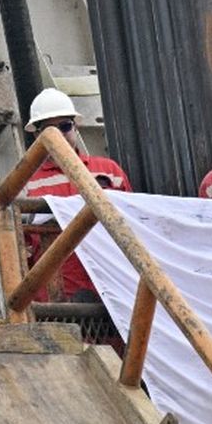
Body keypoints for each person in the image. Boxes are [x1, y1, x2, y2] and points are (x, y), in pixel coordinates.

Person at [21, 87, 130, 303]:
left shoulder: (109, 171)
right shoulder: (25, 184)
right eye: (49, 129)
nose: (59, 135)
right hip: (56, 295)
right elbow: (21, 250)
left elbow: (132, 224)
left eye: (64, 126)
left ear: (75, 125)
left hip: (111, 288)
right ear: (36, 134)